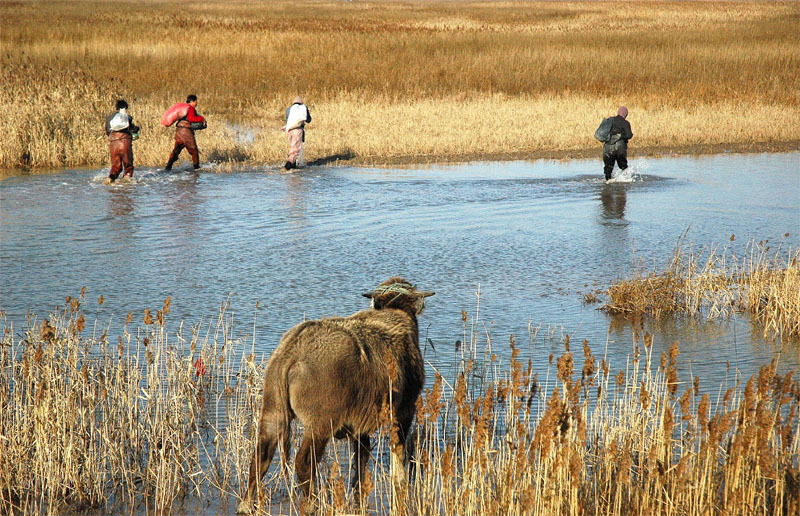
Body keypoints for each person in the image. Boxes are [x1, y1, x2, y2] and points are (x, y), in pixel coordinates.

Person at [165, 94, 206, 171]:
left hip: (179, 131)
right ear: (192, 101)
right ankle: (196, 168)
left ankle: (168, 167)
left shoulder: (184, 108)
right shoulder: (190, 108)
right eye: (196, 101)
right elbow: (191, 119)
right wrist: (201, 119)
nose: (196, 103)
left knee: (176, 150)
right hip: (185, 131)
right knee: (194, 150)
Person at [104, 99, 140, 184]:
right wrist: (137, 129)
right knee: (128, 165)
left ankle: (110, 178)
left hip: (113, 143)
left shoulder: (109, 118)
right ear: (125, 107)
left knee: (116, 166)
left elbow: (107, 131)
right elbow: (132, 129)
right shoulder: (126, 117)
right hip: (124, 142)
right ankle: (126, 180)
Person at [602, 106, 633, 181]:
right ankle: (624, 182)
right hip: (620, 147)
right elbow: (629, 135)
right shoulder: (625, 123)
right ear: (625, 115)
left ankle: (608, 182)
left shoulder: (610, 120)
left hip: (608, 147)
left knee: (608, 168)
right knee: (623, 167)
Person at [283, 96, 311, 170]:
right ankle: (288, 166)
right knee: (295, 150)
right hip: (297, 130)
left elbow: (287, 121)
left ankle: (293, 166)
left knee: (293, 146)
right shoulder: (303, 108)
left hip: (289, 131)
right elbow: (308, 120)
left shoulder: (288, 109)